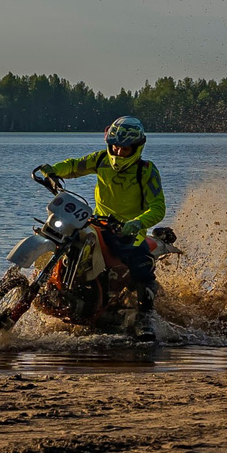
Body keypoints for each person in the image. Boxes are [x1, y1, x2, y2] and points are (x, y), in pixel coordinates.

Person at [37, 116, 166, 321]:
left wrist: (138, 223)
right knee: (67, 239)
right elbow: (74, 166)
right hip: (100, 224)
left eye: (125, 149)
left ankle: (146, 319)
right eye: (115, 147)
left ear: (137, 147)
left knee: (142, 267)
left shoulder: (146, 171)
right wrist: (53, 170)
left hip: (131, 231)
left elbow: (158, 208)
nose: (118, 152)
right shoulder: (100, 160)